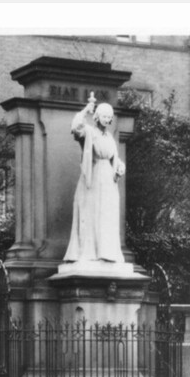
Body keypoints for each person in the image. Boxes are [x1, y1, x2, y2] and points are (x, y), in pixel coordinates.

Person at [63, 92, 126, 263]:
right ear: (97, 117)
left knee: (107, 215)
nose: (107, 119)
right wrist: (86, 110)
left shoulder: (110, 138)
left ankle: (107, 252)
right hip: (94, 178)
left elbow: (114, 158)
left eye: (109, 117)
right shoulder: (89, 132)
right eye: (104, 116)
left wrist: (120, 167)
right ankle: (91, 253)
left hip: (109, 181)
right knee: (92, 213)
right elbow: (75, 127)